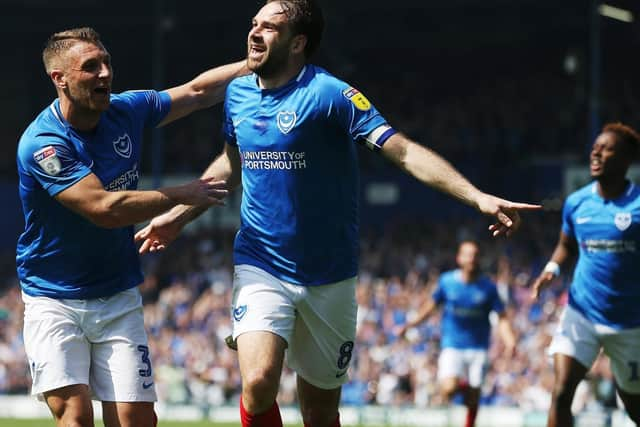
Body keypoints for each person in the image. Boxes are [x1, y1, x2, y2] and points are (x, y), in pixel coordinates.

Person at [135, 2, 540, 426]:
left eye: (269, 28)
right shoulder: (238, 93)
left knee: (320, 411)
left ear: (298, 43)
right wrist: (178, 216)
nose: (254, 33)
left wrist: (476, 197)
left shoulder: (331, 95)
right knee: (257, 383)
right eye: (253, 24)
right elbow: (233, 165)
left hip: (330, 274)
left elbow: (401, 151)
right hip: (261, 262)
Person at [16, 27, 246, 427]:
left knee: (137, 419)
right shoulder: (43, 144)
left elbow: (195, 92)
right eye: (91, 67)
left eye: (107, 62)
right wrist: (181, 194)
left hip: (117, 293)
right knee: (74, 416)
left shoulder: (125, 110)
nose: (105, 73)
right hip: (54, 300)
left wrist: (253, 65)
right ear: (60, 78)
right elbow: (104, 208)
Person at [531, 122, 640, 427]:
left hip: (630, 323)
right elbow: (566, 245)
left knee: (635, 406)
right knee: (562, 391)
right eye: (595, 147)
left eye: (606, 149)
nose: (596, 153)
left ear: (625, 160)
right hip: (581, 313)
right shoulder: (577, 202)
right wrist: (552, 268)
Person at [396, 240, 516, 427]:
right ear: (459, 258)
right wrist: (410, 324)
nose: (472, 259)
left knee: (474, 396)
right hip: (453, 344)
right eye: (468, 255)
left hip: (478, 347)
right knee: (448, 388)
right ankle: (467, 388)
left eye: (475, 255)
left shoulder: (488, 288)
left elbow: (502, 317)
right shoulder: (447, 282)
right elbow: (430, 307)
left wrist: (510, 341)